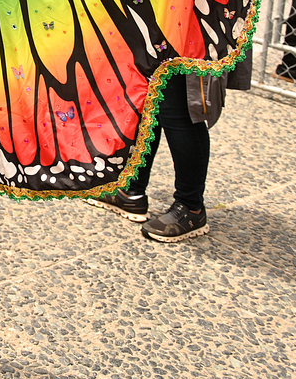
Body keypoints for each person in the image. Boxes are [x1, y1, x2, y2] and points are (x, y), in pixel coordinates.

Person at [86, 56, 251, 241]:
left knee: (179, 105)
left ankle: (190, 207)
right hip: (159, 39)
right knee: (148, 98)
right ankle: (131, 189)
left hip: (186, 40)